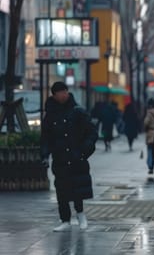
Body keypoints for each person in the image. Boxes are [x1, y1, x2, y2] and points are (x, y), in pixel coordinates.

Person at [40, 82, 98, 231]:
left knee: (77, 187)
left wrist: (84, 150)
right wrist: (45, 155)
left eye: (64, 92)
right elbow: (45, 137)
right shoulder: (50, 114)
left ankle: (80, 215)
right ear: (54, 95)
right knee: (61, 188)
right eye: (59, 93)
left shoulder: (77, 111)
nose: (62, 95)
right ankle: (65, 219)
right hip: (60, 158)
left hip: (76, 156)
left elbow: (91, 132)